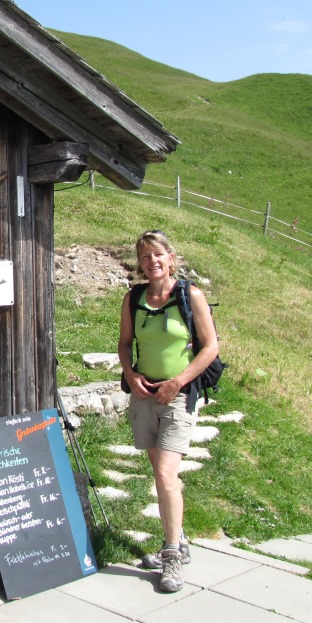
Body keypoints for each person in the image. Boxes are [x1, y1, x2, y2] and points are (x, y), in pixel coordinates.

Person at [118, 230, 219, 593]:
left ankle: (172, 555)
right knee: (162, 476)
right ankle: (178, 536)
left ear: (171, 257)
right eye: (145, 257)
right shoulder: (134, 298)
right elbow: (125, 343)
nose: (152, 262)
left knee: (164, 474)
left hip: (177, 396)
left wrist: (179, 382)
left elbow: (209, 348)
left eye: (157, 255)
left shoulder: (190, 296)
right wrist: (130, 375)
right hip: (144, 395)